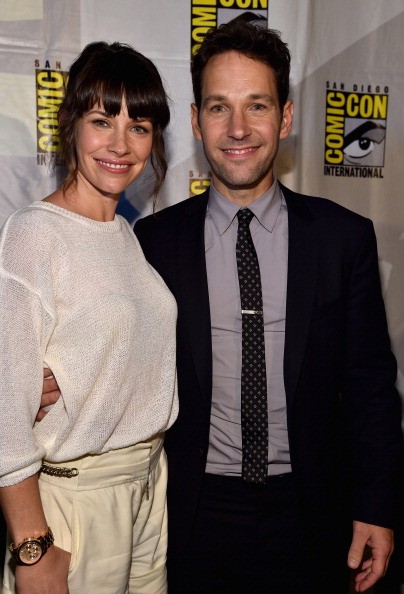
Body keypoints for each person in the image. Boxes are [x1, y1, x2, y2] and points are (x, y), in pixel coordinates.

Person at [40, 18, 403, 594]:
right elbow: (88, 330)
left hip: (316, 513)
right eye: (218, 107)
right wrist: (36, 379)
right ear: (194, 121)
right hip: (189, 515)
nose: (237, 128)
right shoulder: (150, 244)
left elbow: (371, 388)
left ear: (284, 117)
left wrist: (378, 506)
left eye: (256, 106)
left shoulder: (343, 239)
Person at [0, 41, 178, 594]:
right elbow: (5, 410)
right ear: (70, 123)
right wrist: (32, 547)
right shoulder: (33, 235)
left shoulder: (125, 233)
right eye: (103, 120)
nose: (121, 145)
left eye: (140, 125)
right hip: (77, 503)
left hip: (147, 487)